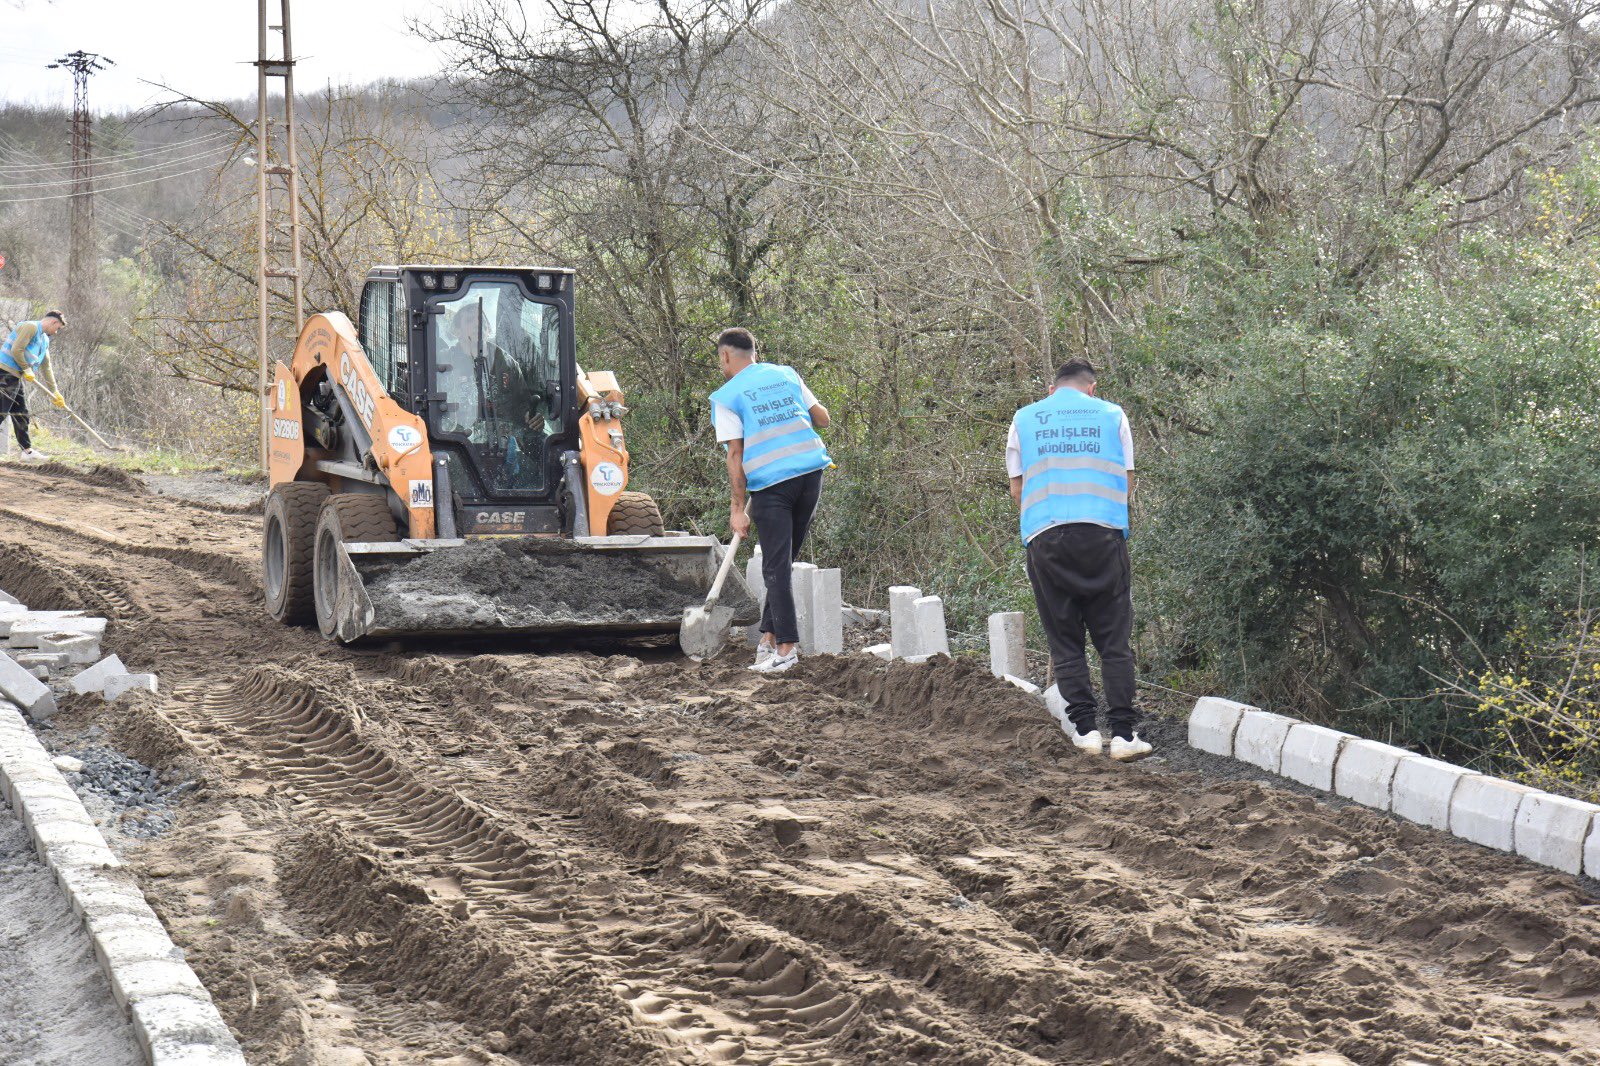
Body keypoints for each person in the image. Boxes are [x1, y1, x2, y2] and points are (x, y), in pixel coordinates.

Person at [1007, 358, 1150, 761]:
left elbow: (1018, 490)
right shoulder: (1112, 414)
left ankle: (1086, 732)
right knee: (1114, 642)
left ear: (1052, 389)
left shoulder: (1023, 418)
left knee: (1065, 640)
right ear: (1091, 388)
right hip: (1103, 536)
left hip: (1046, 538)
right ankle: (1123, 735)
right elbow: (1126, 481)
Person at [710, 327, 831, 673]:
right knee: (782, 561)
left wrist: (737, 509)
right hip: (811, 475)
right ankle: (768, 638)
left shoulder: (726, 397)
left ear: (725, 356)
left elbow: (735, 455)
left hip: (772, 485)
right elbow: (822, 418)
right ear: (756, 353)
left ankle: (786, 650)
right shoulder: (786, 374)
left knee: (775, 567)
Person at [0, 310, 67, 462]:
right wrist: (26, 368)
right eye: (57, 328)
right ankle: (27, 450)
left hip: (15, 376)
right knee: (1, 411)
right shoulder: (30, 327)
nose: (56, 332)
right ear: (53, 322)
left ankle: (27, 451)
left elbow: (46, 366)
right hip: (4, 373)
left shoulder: (44, 339)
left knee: (21, 413)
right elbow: (16, 349)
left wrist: (55, 392)